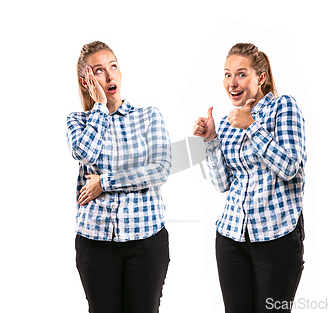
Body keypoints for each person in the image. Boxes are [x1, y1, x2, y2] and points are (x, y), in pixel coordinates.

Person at [193, 43, 307, 313]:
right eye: (227, 74)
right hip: (231, 236)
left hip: (277, 237)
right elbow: (222, 184)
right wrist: (211, 140)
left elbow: (290, 166)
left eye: (242, 74)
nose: (232, 83)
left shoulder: (284, 107)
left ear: (261, 78)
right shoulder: (227, 122)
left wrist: (252, 126)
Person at [66, 41, 171, 313]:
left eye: (113, 67)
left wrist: (104, 182)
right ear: (86, 80)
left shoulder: (149, 117)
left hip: (146, 239)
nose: (110, 76)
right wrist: (100, 107)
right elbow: (84, 152)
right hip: (95, 242)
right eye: (99, 71)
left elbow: (160, 170)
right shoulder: (78, 121)